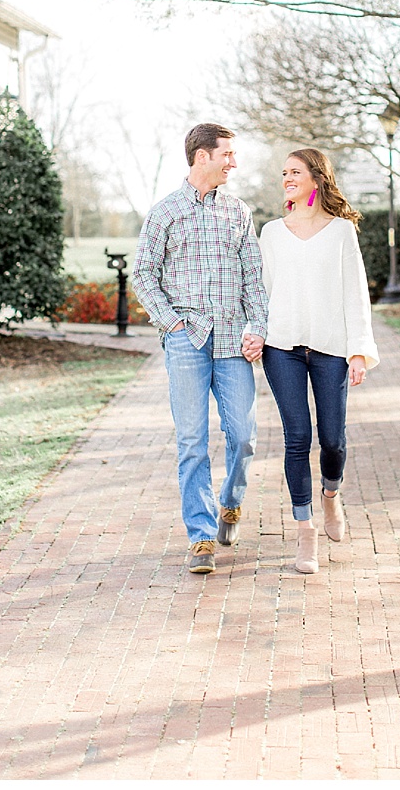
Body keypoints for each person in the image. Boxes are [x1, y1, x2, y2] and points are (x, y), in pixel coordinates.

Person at [134, 123, 268, 575]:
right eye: (227, 154)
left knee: (244, 437)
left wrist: (259, 326)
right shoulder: (165, 212)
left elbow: (253, 277)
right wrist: (171, 325)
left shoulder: (238, 212)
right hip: (186, 342)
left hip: (233, 341)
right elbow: (144, 275)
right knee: (192, 442)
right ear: (202, 157)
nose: (234, 161)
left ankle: (230, 503)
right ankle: (201, 537)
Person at [254, 148, 379, 575]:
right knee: (296, 438)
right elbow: (260, 292)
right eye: (283, 172)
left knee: (332, 439)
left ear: (316, 177)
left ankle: (331, 495)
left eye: (295, 172)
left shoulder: (341, 231)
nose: (287, 178)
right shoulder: (271, 232)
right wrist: (255, 333)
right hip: (281, 348)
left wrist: (359, 349)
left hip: (331, 348)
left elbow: (355, 293)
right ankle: (305, 533)